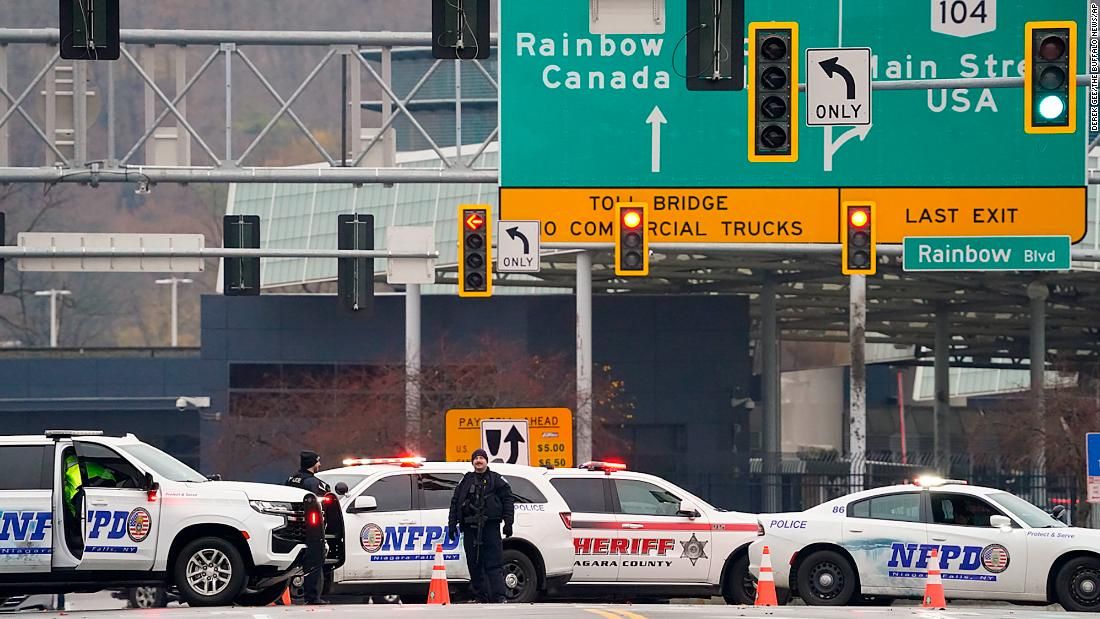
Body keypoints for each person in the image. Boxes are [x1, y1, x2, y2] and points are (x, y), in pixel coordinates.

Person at [447, 448, 515, 603]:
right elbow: (455, 502)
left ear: (486, 461)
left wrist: (508, 522)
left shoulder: (496, 479)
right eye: (476, 458)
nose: (478, 461)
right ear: (472, 462)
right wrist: (452, 524)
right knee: (474, 563)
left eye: (481, 458)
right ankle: (480, 596)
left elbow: (508, 500)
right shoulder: (466, 480)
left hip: (490, 527)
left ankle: (499, 596)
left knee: (494, 563)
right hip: (470, 527)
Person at [285, 450, 330, 605]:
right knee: (315, 560)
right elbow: (319, 502)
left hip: (292, 526)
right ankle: (313, 597)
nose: (320, 465)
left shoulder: (292, 478)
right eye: (318, 462)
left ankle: (284, 596)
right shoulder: (313, 483)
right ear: (312, 464)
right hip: (311, 527)